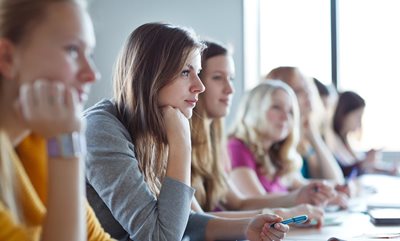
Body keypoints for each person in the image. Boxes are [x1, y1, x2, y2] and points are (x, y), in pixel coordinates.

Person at [84, 23, 289, 241]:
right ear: (150, 76)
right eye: (185, 72)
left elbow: (177, 220)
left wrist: (247, 227)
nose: (199, 86)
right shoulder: (101, 131)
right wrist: (182, 143)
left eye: (198, 73)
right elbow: (160, 237)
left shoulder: (150, 129)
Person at [0, 0, 113, 240]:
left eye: (89, 53)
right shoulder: (56, 139)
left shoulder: (37, 139)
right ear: (7, 57)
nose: (92, 74)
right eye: (72, 50)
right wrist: (67, 144)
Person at [190, 40, 327, 227]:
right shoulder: (231, 146)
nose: (230, 89)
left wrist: (296, 199)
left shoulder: (214, 143)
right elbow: (196, 221)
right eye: (217, 77)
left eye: (231, 78)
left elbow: (238, 203)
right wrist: (284, 212)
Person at [265, 67, 344, 183]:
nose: (307, 94)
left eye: (307, 88)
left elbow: (335, 180)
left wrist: (314, 137)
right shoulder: (277, 140)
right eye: (298, 90)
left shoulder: (303, 139)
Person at [325, 91, 396, 177]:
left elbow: (357, 165)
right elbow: (342, 173)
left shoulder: (345, 141)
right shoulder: (331, 140)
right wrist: (363, 163)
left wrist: (385, 169)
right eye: (357, 116)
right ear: (344, 114)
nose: (359, 123)